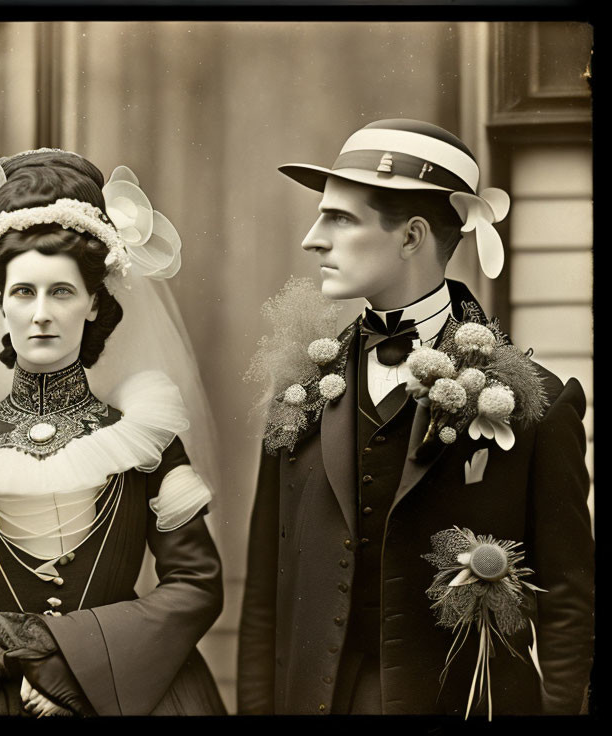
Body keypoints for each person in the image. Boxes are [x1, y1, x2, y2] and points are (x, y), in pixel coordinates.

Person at [238, 119, 594, 717]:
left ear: (411, 237)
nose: (312, 239)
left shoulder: (533, 401)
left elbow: (569, 604)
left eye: (340, 219)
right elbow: (264, 599)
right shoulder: (299, 390)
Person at [0, 149, 226, 716]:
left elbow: (194, 585)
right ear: (1, 304)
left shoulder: (145, 438)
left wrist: (75, 665)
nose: (41, 313)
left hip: (121, 688)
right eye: (24, 292)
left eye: (61, 292)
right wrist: (18, 654)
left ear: (93, 304)